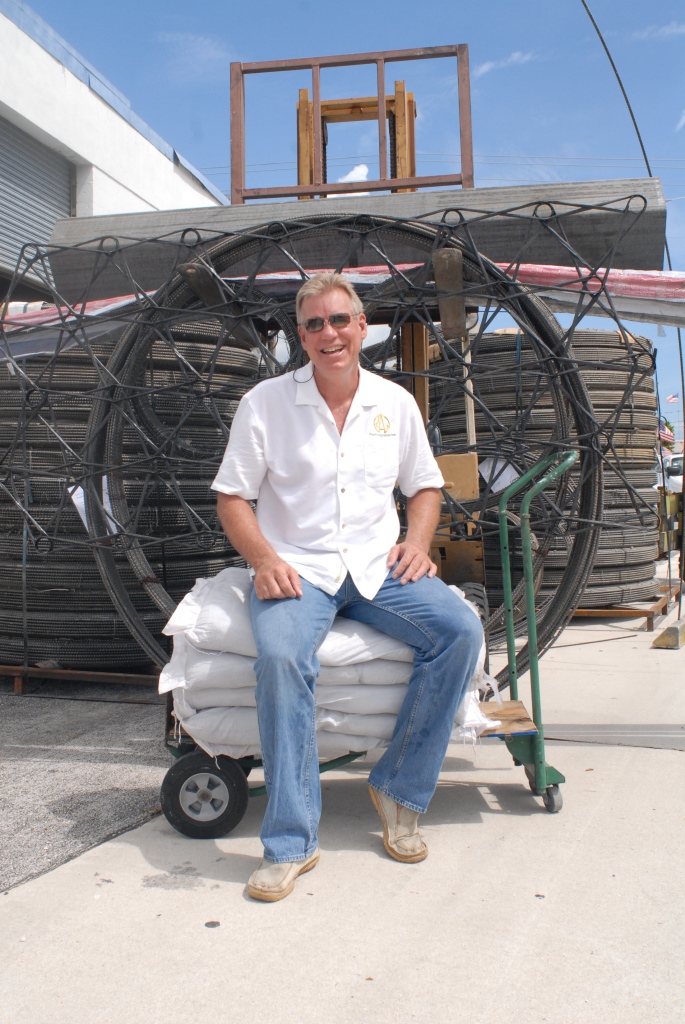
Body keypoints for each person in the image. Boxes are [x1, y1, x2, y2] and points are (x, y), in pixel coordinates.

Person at [212, 272, 483, 902]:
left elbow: (424, 486)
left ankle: (398, 790)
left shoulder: (394, 403)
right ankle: (291, 841)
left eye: (340, 321)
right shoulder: (266, 404)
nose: (328, 334)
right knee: (280, 657)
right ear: (300, 335)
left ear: (363, 327)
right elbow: (233, 497)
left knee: (460, 631)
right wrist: (262, 559)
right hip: (298, 569)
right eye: (314, 324)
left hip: (374, 565)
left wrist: (416, 543)